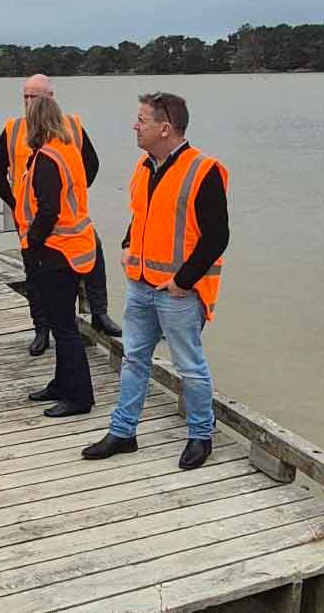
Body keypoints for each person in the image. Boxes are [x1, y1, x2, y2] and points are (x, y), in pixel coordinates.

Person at [82, 92, 229, 471]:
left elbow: (217, 237)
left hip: (178, 292)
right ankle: (123, 431)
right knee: (133, 359)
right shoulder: (144, 166)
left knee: (189, 365)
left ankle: (201, 435)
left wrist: (184, 280)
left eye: (142, 120)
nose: (135, 126)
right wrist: (127, 243)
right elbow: (141, 213)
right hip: (141, 284)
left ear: (165, 128)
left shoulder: (204, 170)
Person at [0, 73, 120, 357]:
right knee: (34, 274)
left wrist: (73, 196)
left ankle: (99, 313)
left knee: (94, 255)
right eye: (25, 96)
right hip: (31, 221)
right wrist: (14, 202)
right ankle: (41, 329)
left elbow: (91, 164)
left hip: (70, 219)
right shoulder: (13, 129)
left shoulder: (71, 126)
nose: (28, 102)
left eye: (34, 97)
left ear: (50, 98)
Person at [15, 96, 96, 417]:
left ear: (35, 122)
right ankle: (62, 383)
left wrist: (33, 245)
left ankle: (80, 397)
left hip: (56, 251)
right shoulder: (67, 150)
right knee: (63, 323)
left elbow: (49, 209)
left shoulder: (48, 158)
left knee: (63, 327)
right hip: (71, 248)